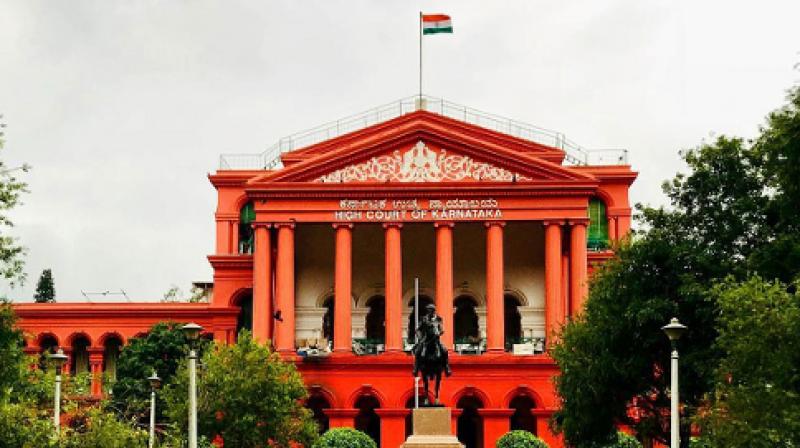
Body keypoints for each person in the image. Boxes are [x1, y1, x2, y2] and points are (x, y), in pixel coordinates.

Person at [412, 303, 452, 377]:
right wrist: (420, 338)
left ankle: (447, 367)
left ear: (433, 311)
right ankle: (416, 368)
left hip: (436, 339)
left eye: (431, 310)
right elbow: (418, 330)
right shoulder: (424, 319)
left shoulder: (438, 319)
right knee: (417, 351)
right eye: (428, 310)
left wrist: (439, 333)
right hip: (425, 339)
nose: (429, 312)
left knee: (444, 350)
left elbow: (441, 329)